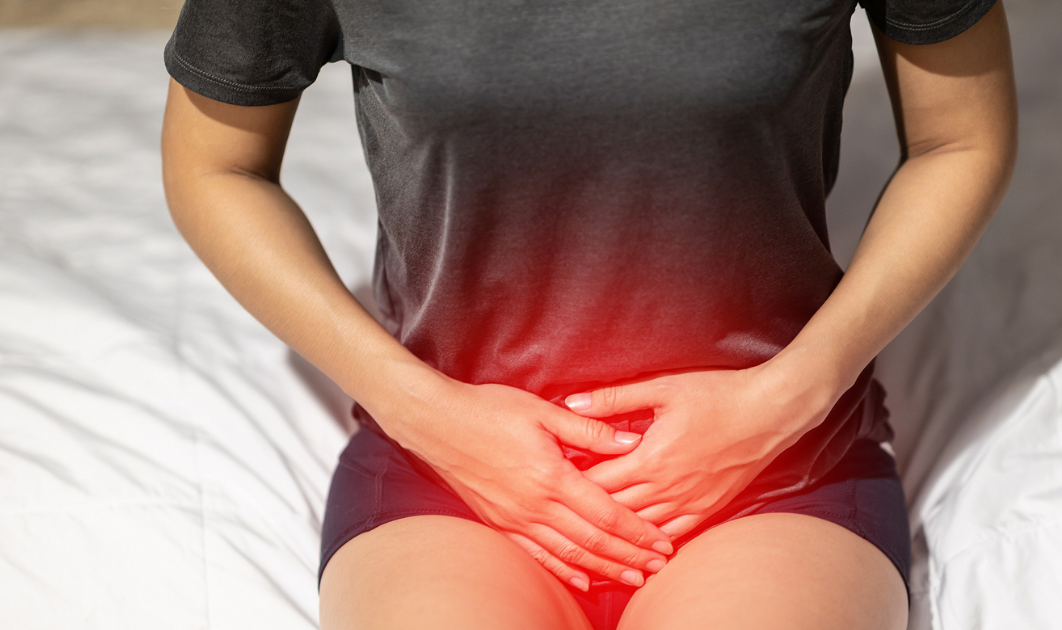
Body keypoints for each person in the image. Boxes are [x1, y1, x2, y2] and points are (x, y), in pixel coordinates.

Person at [160, 0, 1016, 627]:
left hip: (774, 466)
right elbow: (216, 166)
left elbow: (961, 137)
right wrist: (420, 407)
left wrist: (795, 390)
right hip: (456, 471)